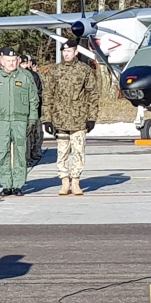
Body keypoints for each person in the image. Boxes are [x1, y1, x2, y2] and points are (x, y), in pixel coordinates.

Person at [41, 40, 100, 194]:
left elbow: (92, 95)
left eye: (69, 51)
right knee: (62, 152)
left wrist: (91, 117)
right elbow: (47, 96)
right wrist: (46, 119)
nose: (66, 54)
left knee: (79, 151)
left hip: (79, 118)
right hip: (59, 118)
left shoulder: (84, 70)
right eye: (64, 52)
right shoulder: (55, 71)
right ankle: (64, 181)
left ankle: (76, 181)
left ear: (76, 52)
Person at [0, 46, 39, 196]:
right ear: (1, 60)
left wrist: (32, 120)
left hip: (20, 120)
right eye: (8, 60)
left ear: (18, 60)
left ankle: (18, 184)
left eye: (14, 60)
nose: (11, 63)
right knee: (2, 153)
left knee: (21, 153)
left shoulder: (25, 76)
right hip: (1, 121)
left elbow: (34, 100)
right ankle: (6, 184)